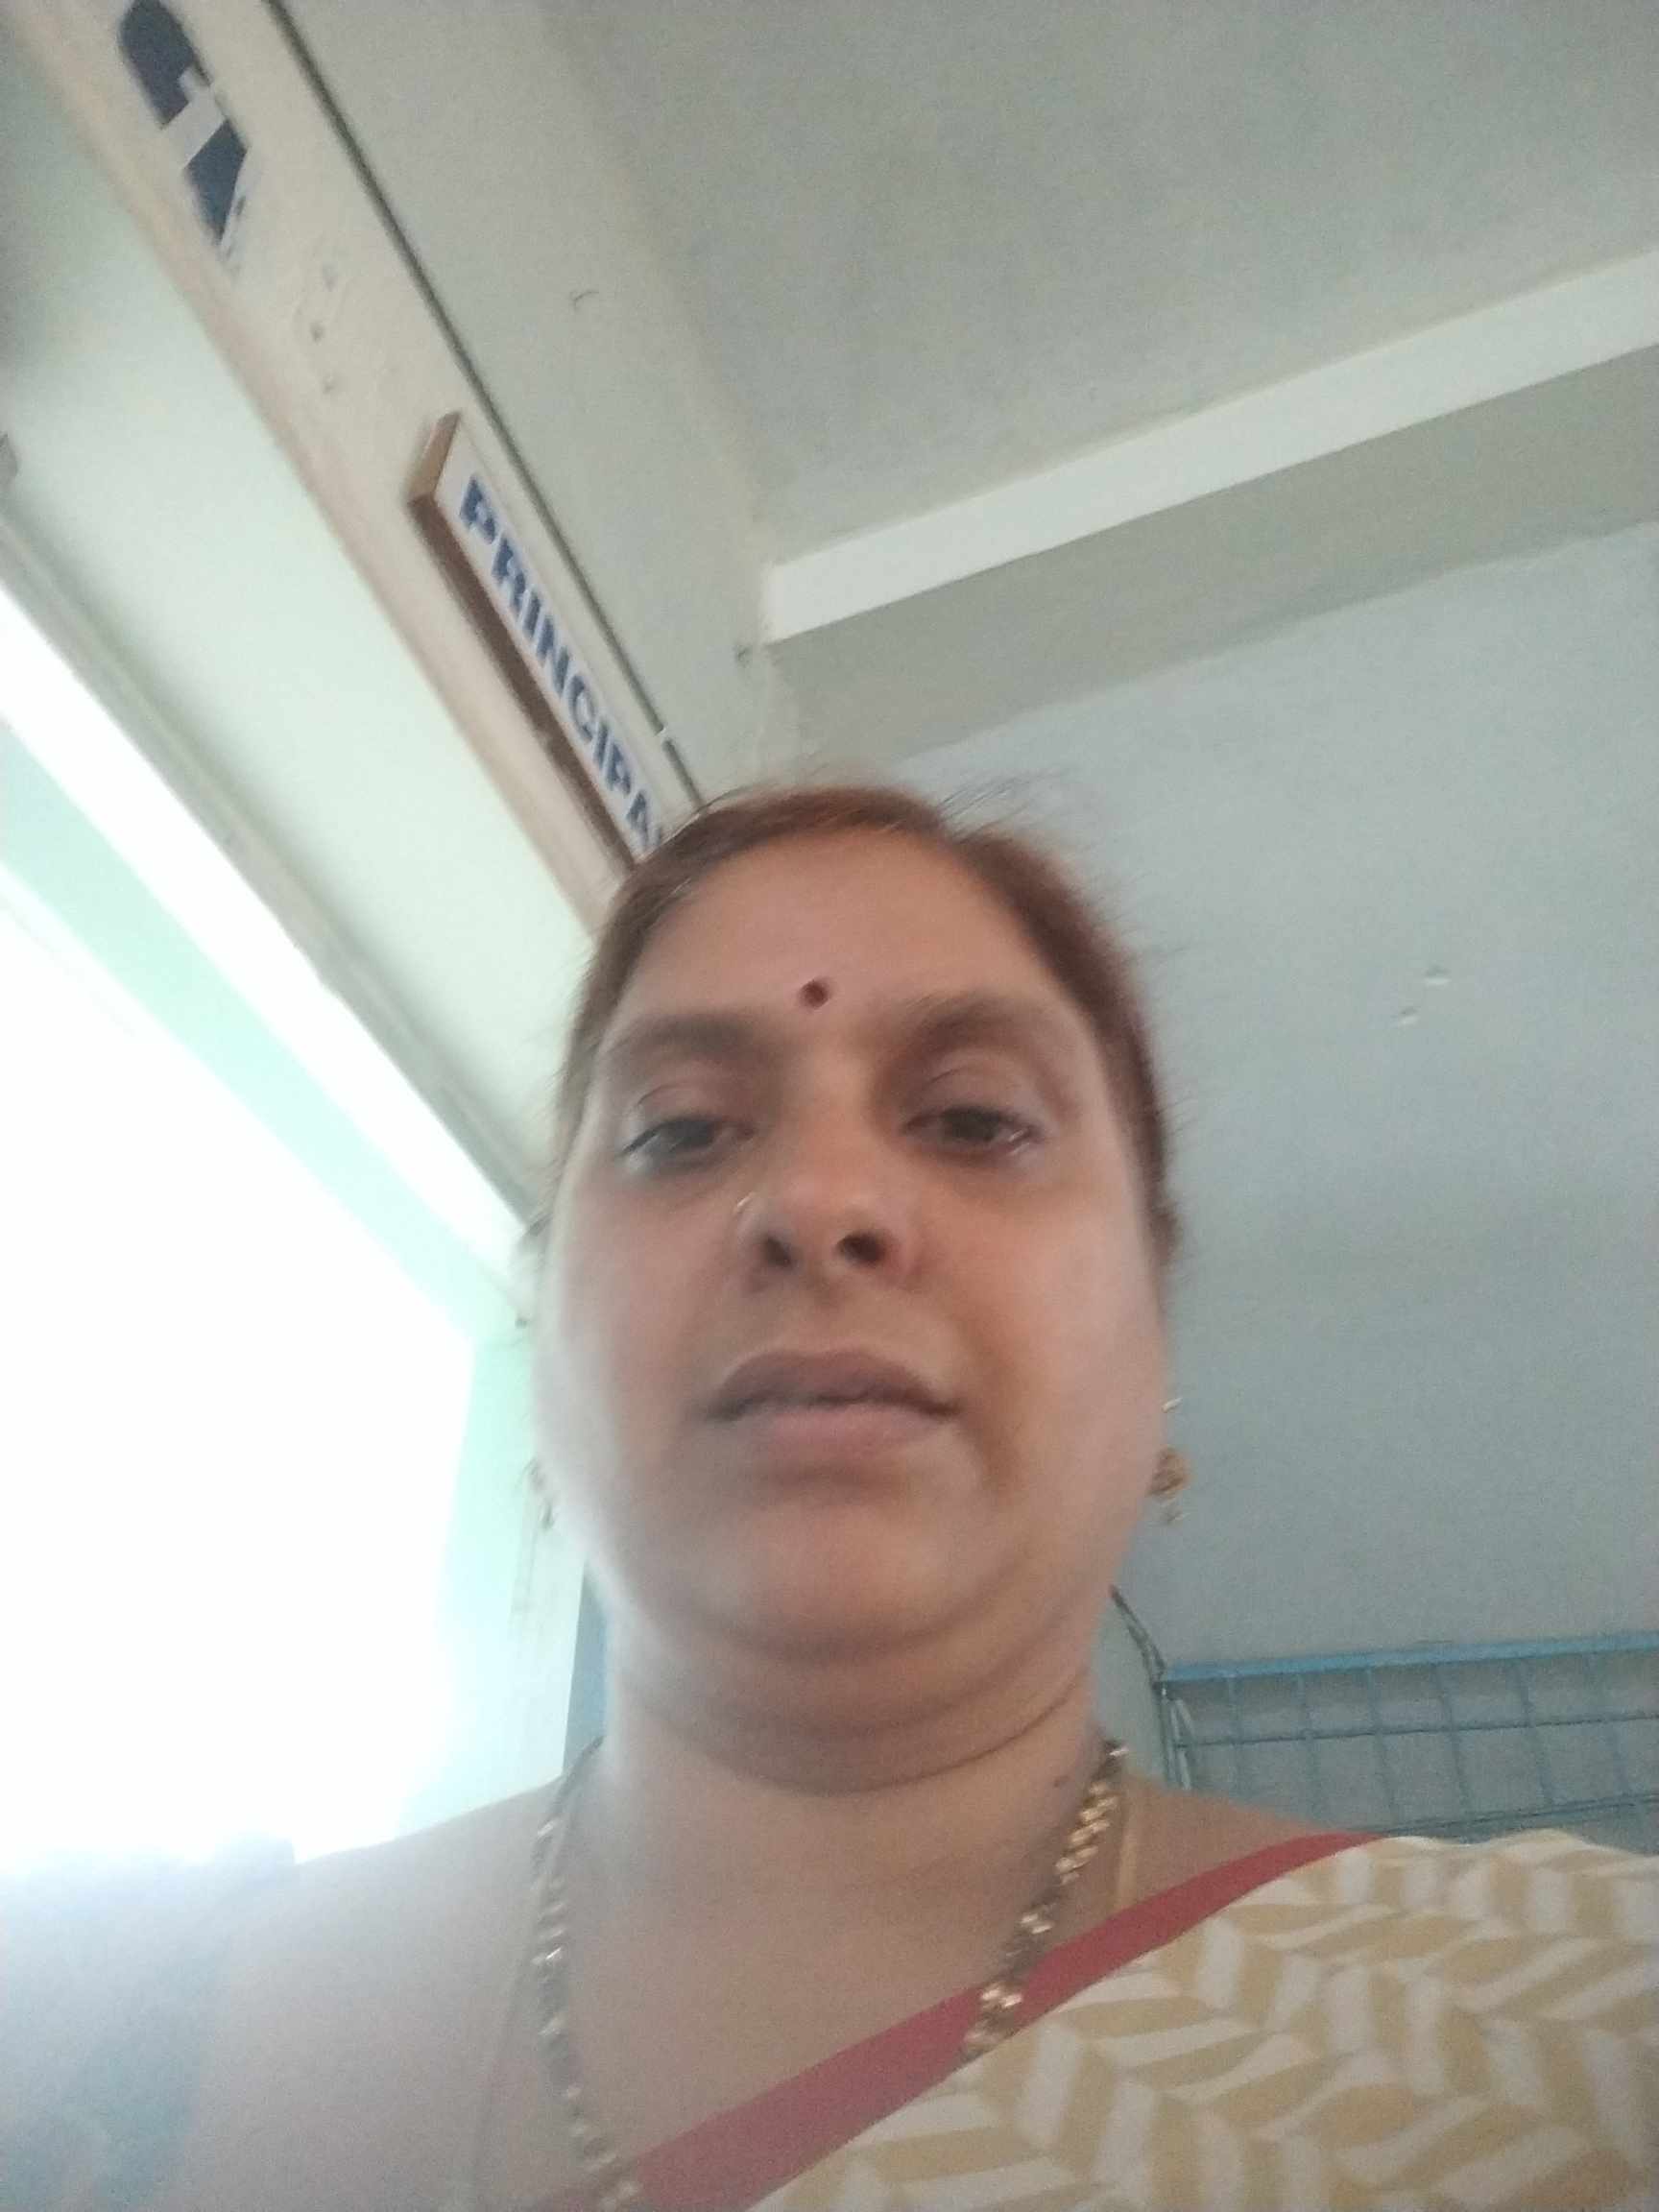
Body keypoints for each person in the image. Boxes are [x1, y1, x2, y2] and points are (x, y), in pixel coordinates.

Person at [6, 786, 1654, 2212]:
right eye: (681, 1132)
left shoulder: (1573, 2034)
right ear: (547, 1312)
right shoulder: (79, 2022)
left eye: (974, 1119)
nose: (817, 1200)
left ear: (1153, 1332)